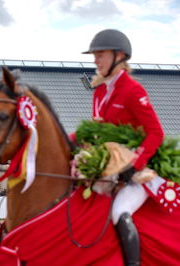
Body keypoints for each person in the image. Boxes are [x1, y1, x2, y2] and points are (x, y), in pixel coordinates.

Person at [82, 29, 164, 265]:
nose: (95, 60)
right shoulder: (98, 91)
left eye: (100, 55)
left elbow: (155, 133)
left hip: (136, 174)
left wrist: (134, 163)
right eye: (94, 56)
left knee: (119, 212)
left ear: (119, 56)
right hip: (106, 170)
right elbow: (97, 131)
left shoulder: (133, 90)